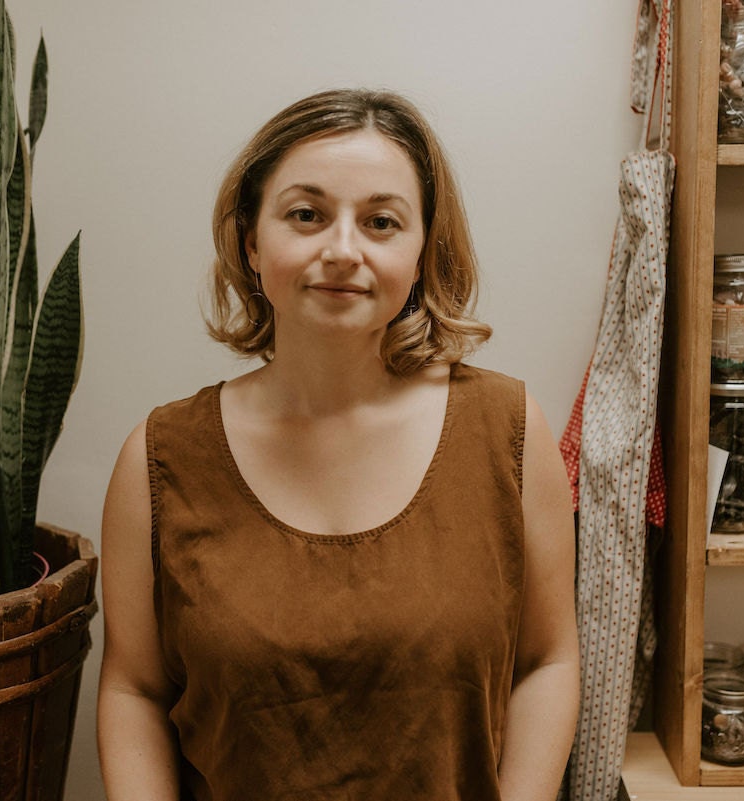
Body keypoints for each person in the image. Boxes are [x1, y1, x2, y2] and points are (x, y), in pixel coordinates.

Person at [98, 88, 580, 800]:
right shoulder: (159, 458)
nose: (342, 249)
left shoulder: (510, 430)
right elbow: (133, 687)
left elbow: (547, 660)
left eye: (382, 221)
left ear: (421, 252)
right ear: (251, 242)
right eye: (306, 214)